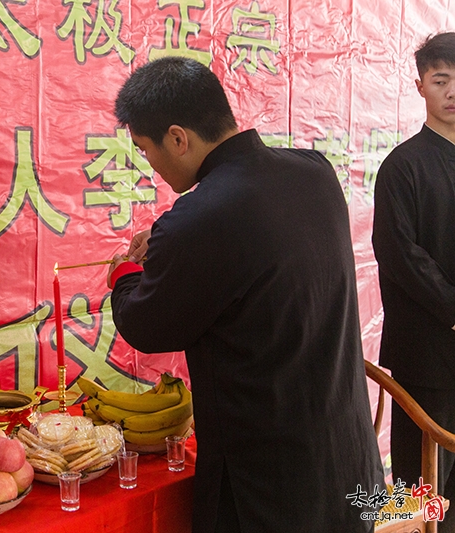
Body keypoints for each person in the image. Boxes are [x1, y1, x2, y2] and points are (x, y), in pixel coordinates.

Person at [107, 57, 383, 532]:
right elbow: (250, 265)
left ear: (177, 137)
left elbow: (145, 325)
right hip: (349, 461)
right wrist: (171, 249)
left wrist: (125, 273)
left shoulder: (197, 218)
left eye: (144, 148)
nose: (148, 163)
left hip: (269, 485)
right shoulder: (313, 171)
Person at [372, 31, 455, 532]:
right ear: (420, 85)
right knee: (421, 494)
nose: (452, 91)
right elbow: (401, 256)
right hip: (424, 359)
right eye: (441, 80)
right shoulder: (402, 167)